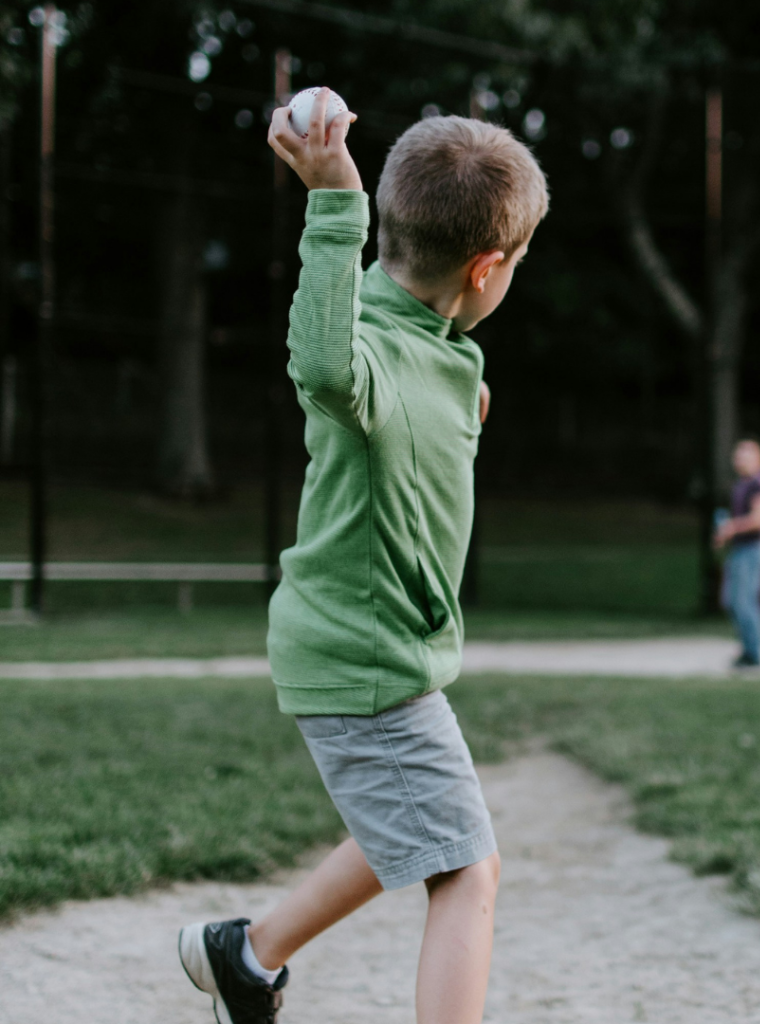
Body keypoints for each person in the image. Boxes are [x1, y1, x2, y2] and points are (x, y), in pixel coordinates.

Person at [178, 89, 548, 1024]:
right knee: (469, 870)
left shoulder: (443, 346)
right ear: (488, 266)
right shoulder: (372, 344)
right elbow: (325, 365)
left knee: (409, 828)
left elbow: (425, 396)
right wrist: (331, 197)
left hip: (379, 651)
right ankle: (247, 956)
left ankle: (245, 956)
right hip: (363, 658)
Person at [714, 438, 760, 668]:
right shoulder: (741, 484)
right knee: (731, 600)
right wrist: (726, 533)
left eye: (746, 456)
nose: (740, 460)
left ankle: (754, 654)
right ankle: (747, 649)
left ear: (759, 458)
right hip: (740, 548)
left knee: (746, 601)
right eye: (738, 456)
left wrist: (732, 527)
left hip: (754, 548)